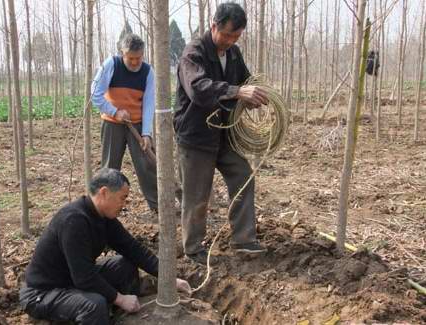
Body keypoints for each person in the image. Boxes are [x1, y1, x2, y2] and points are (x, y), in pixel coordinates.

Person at [20, 168, 191, 324]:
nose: (124, 205)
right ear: (104, 193)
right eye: (122, 198)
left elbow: (133, 249)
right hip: (44, 292)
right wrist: (120, 299)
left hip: (73, 280)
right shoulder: (74, 221)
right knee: (94, 305)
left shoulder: (104, 217)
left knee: (125, 265)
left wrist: (169, 279)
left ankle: (119, 318)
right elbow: (84, 277)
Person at [174, 2, 269, 264]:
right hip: (196, 136)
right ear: (214, 25)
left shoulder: (234, 53)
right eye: (226, 35)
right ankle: (193, 248)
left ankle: (244, 239)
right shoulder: (194, 53)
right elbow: (198, 88)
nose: (230, 41)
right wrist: (236, 92)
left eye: (236, 36)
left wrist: (256, 94)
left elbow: (246, 81)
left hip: (224, 134)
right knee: (197, 195)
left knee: (243, 176)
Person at [91, 33, 158, 213]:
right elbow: (95, 94)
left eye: (139, 58)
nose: (135, 62)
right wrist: (115, 112)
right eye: (131, 58)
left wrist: (146, 133)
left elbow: (149, 103)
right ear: (122, 53)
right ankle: (103, 209)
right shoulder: (111, 65)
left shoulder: (148, 72)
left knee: (148, 166)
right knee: (110, 168)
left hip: (137, 124)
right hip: (112, 123)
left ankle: (158, 207)